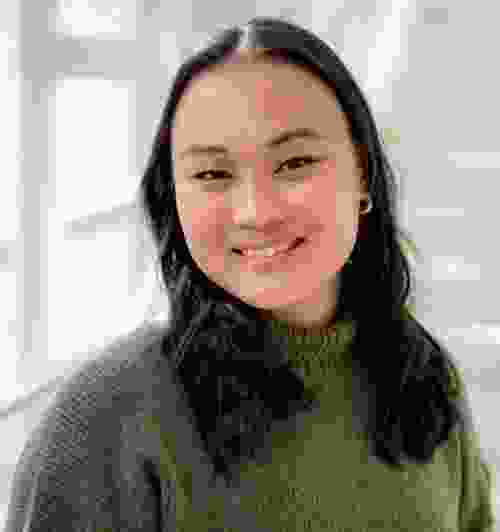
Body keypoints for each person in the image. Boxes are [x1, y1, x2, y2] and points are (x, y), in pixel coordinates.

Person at [5, 16, 495, 531]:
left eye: (295, 163)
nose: (256, 212)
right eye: (212, 173)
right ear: (175, 201)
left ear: (363, 174)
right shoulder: (104, 421)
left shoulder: (423, 379)